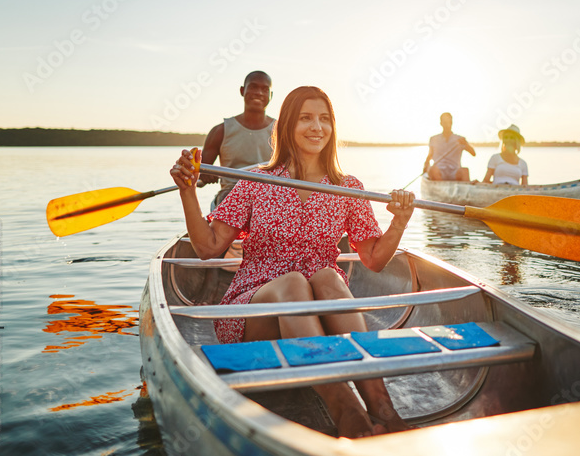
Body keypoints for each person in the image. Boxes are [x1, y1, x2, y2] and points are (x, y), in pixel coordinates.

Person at [170, 86, 414, 438]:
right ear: (287, 126)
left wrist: (400, 222)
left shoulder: (347, 187)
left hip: (320, 307)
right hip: (254, 314)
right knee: (295, 282)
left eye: (325, 119)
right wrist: (188, 190)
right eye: (306, 118)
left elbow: (374, 259)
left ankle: (382, 406)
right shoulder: (257, 181)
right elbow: (208, 247)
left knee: (329, 278)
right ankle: (346, 411)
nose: (317, 127)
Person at [199, 70, 277, 210]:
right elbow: (201, 175)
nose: (259, 93)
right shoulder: (220, 131)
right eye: (253, 87)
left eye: (265, 89)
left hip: (269, 198)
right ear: (242, 90)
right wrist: (205, 174)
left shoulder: (282, 132)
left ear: (270, 95)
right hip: (231, 197)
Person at [424, 112, 476, 181]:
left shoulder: (459, 139)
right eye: (445, 122)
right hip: (439, 170)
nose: (447, 124)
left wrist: (465, 144)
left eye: (449, 122)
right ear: (441, 123)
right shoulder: (433, 139)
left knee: (465, 171)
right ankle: (441, 189)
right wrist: (425, 166)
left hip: (454, 171)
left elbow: (473, 153)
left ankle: (466, 189)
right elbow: (430, 155)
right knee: (433, 169)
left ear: (452, 123)